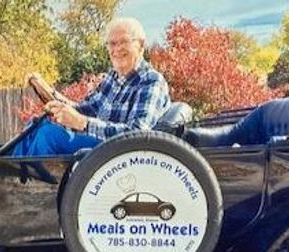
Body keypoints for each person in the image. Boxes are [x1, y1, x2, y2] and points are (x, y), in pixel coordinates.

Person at [12, 17, 171, 156]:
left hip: (118, 155)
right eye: (112, 44)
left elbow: (137, 136)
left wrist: (83, 123)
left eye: (124, 42)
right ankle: (9, 179)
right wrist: (49, 93)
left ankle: (29, 186)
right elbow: (86, 109)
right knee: (37, 125)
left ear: (141, 45)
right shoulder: (113, 77)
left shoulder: (151, 81)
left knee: (48, 135)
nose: (116, 49)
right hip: (97, 148)